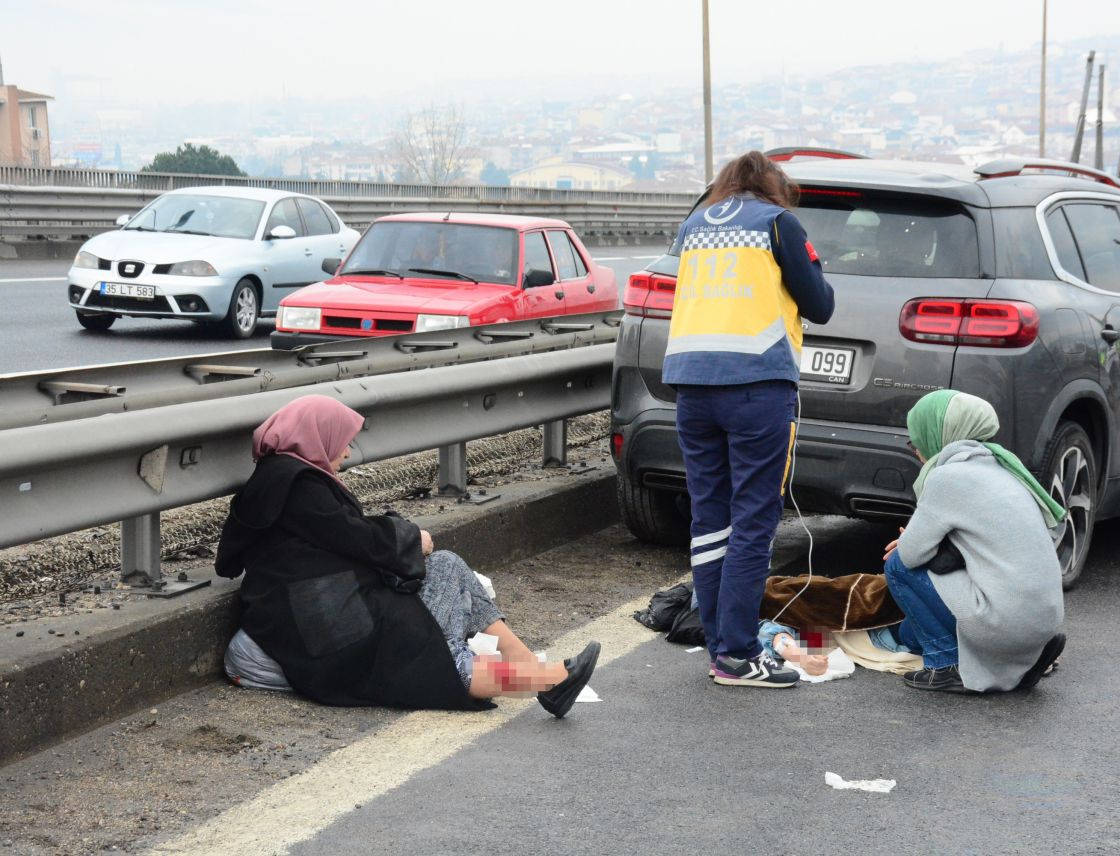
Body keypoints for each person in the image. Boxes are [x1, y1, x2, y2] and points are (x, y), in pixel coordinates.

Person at [215, 394, 599, 717]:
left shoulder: (282, 479)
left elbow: (343, 536)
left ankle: (530, 666)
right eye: (341, 441)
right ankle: (547, 681)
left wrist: (410, 541)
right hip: (330, 628)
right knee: (437, 656)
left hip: (325, 607)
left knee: (446, 565)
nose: (346, 451)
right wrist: (413, 539)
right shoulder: (298, 486)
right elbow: (358, 538)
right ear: (317, 437)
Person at [664, 150, 835, 688]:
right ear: (775, 187)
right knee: (754, 520)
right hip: (756, 385)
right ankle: (737, 654)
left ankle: (721, 646)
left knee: (710, 518)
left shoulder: (694, 225)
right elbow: (821, 304)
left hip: (692, 387)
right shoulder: (777, 222)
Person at [882, 389, 1067, 693]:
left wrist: (908, 543)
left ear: (938, 434)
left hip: (1004, 623)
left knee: (899, 567)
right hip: (1043, 622)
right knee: (910, 633)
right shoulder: (1003, 468)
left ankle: (945, 666)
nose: (916, 450)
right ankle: (1021, 661)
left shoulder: (949, 477)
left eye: (916, 440)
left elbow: (912, 555)